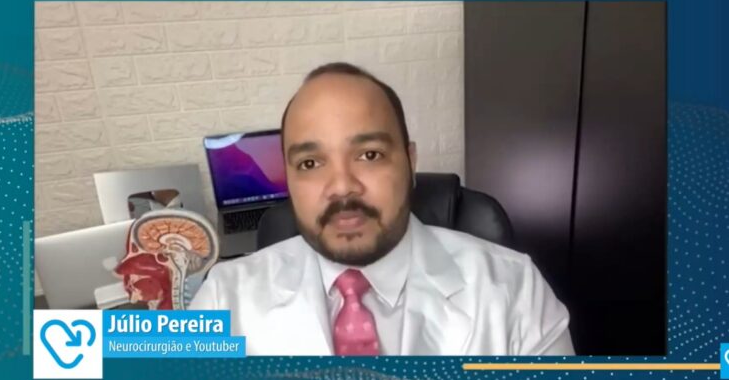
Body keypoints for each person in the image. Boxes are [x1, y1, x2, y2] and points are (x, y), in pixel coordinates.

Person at [189, 62, 575, 356]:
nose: (341, 186)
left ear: (410, 162)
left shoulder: (515, 289)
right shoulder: (222, 297)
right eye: (310, 163)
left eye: (369, 155)